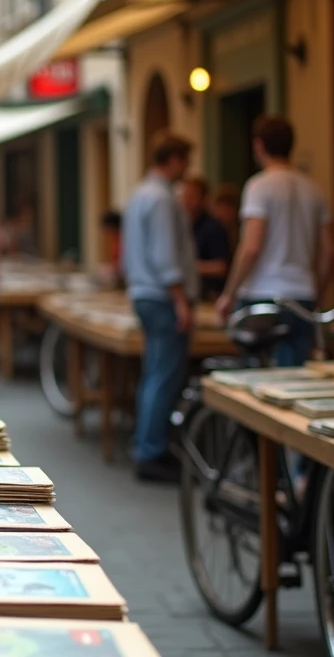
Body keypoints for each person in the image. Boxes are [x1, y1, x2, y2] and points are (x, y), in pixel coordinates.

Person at [216, 115, 334, 367]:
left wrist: (229, 293)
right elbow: (329, 250)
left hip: (263, 294)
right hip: (302, 295)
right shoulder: (314, 189)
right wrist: (317, 292)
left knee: (258, 384)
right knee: (296, 379)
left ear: (259, 146)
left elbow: (251, 247)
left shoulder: (259, 187)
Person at [122, 131, 198, 483]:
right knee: (164, 375)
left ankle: (146, 444)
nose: (188, 168)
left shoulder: (140, 193)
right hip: (161, 295)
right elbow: (165, 255)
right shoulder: (163, 199)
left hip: (143, 292)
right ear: (175, 160)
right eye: (186, 160)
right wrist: (181, 300)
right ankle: (151, 451)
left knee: (154, 372)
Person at [179, 176, 231, 301]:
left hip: (208, 296)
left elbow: (221, 267)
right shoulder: (182, 226)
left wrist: (189, 266)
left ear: (203, 199)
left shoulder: (213, 228)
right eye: (185, 196)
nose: (187, 201)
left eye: (192, 196)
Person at [213, 184, 242, 252]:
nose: (222, 212)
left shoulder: (242, 232)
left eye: (227, 207)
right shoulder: (214, 231)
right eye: (220, 207)